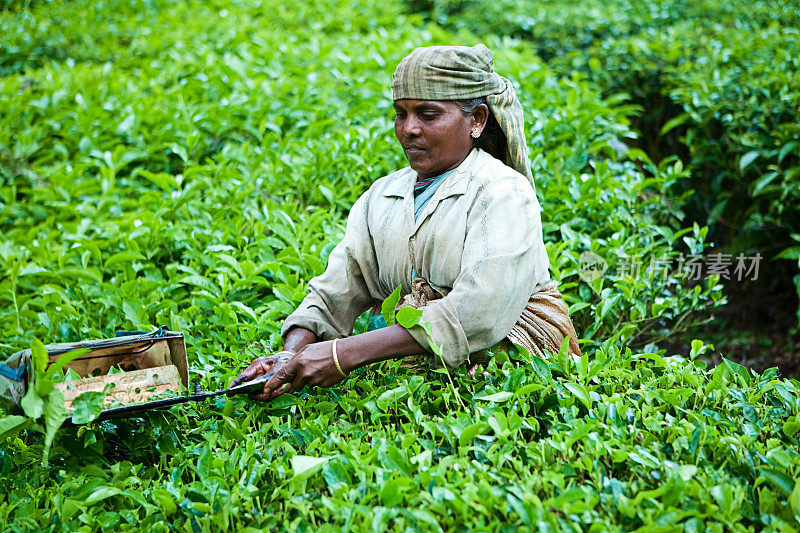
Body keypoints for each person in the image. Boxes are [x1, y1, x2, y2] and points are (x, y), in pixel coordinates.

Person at [231, 44, 581, 401]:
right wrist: (291, 354)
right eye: (401, 114)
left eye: (428, 115)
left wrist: (342, 355)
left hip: (509, 371)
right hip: (413, 368)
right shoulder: (382, 195)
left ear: (477, 120)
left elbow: (477, 314)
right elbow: (337, 289)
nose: (408, 129)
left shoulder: (503, 192)